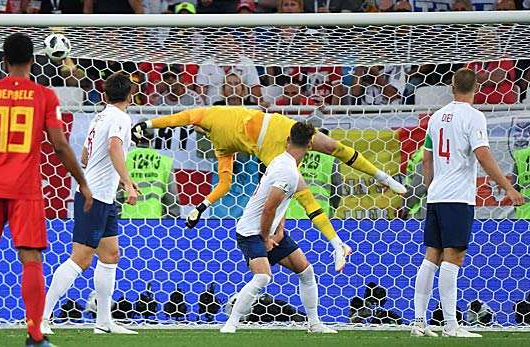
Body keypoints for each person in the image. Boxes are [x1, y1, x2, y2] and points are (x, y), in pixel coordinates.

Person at [0, 33, 92, 347]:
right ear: (33, 60)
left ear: (3, 60)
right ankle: (35, 336)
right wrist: (81, 181)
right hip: (25, 188)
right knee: (30, 258)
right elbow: (60, 145)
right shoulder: (44, 96)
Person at [131, 107, 406, 271]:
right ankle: (337, 244)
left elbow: (183, 116)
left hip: (276, 125)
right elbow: (225, 184)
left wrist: (148, 123)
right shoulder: (221, 146)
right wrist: (200, 208)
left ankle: (384, 177)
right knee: (303, 191)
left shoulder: (209, 115)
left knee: (333, 147)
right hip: (272, 150)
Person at [411, 68, 524, 338]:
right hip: (458, 197)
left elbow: (427, 159)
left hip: (437, 195)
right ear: (476, 88)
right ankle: (451, 325)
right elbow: (482, 153)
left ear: (452, 86)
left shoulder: (436, 117)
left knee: (431, 257)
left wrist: (431, 186)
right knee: (454, 257)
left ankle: (418, 322)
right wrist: (508, 186)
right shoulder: (474, 117)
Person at [41, 72, 140, 335]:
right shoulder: (120, 117)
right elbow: (114, 148)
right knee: (81, 259)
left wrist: (113, 179)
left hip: (103, 196)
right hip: (93, 197)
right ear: (131, 96)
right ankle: (41, 318)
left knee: (110, 256)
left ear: (105, 96)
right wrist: (127, 181)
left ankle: (104, 322)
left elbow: (86, 156)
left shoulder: (100, 116)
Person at [220, 122, 336, 334]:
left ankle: (315, 324)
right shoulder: (287, 172)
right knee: (263, 277)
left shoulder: (284, 162)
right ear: (310, 144)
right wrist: (266, 238)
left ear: (287, 141)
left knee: (306, 271)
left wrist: (279, 231)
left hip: (270, 230)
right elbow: (268, 209)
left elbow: (281, 203)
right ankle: (231, 323)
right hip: (252, 231)